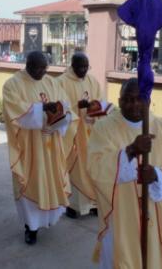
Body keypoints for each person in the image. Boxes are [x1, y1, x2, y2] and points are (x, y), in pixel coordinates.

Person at [87, 78, 162, 268]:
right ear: (119, 102)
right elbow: (95, 167)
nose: (133, 104)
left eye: (139, 99)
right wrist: (130, 151)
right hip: (121, 215)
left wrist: (157, 175)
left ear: (148, 101)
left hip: (157, 211)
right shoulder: (103, 128)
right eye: (127, 99)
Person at [2, 51, 77, 245]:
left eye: (45, 68)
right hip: (29, 146)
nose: (42, 72)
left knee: (50, 181)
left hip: (51, 143)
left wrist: (61, 114)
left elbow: (65, 106)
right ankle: (31, 227)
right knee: (31, 182)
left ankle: (48, 220)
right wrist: (42, 108)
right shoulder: (13, 84)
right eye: (38, 68)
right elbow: (14, 112)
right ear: (27, 64)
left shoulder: (51, 82)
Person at [58, 52, 107, 218]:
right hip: (73, 135)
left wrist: (95, 107)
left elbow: (101, 101)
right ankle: (72, 205)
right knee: (76, 168)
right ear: (72, 65)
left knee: (91, 167)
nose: (84, 70)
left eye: (86, 66)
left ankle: (92, 203)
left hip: (91, 133)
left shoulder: (92, 81)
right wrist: (75, 106)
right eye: (80, 67)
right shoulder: (61, 82)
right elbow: (60, 109)